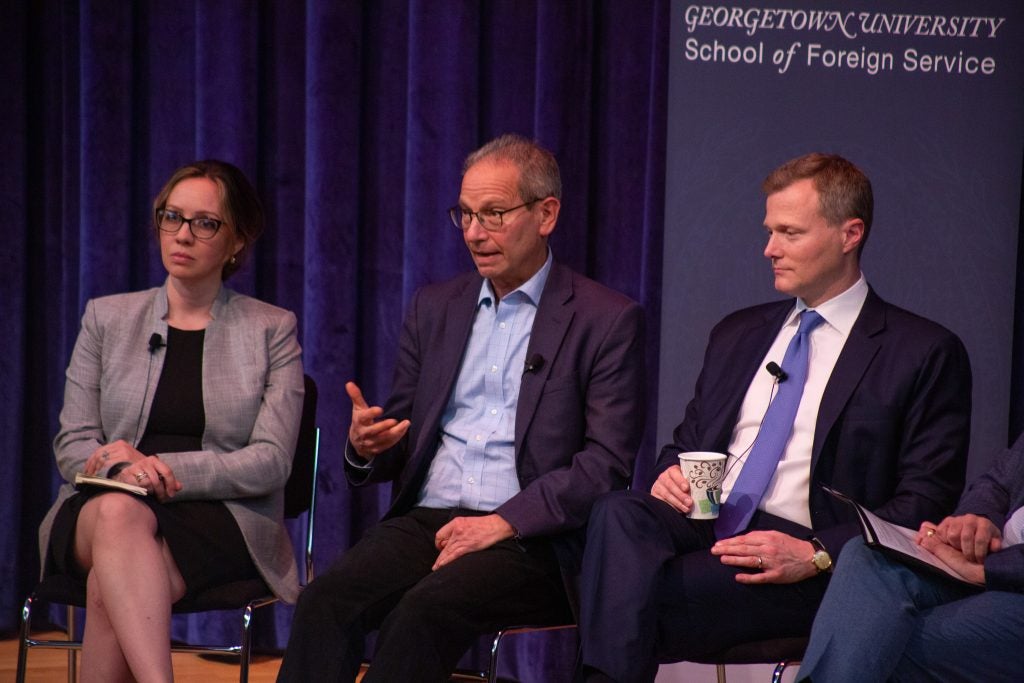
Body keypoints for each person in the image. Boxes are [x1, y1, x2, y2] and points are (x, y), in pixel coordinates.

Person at [576, 153, 973, 682]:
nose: (769, 249)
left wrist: (814, 554)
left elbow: (922, 505)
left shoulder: (922, 351)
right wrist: (671, 474)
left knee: (621, 592)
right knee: (617, 513)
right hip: (709, 520)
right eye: (769, 231)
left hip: (811, 552)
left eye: (789, 233)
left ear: (849, 233)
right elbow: (688, 442)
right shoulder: (738, 333)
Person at [277, 134, 645, 682]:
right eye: (466, 215)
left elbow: (605, 466)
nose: (475, 233)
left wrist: (502, 522)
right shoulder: (435, 306)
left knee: (422, 613)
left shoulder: (605, 319)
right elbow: (400, 435)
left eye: (494, 214)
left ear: (546, 214)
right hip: (428, 520)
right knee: (325, 601)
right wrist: (365, 447)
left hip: (532, 537)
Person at [37, 160, 305, 683]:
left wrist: (160, 467)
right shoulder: (106, 318)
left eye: (204, 222)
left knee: (105, 586)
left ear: (236, 241)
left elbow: (272, 461)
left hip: (217, 516)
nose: (182, 234)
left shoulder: (270, 329)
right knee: (117, 513)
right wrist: (124, 474)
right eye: (171, 217)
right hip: (98, 507)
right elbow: (72, 443)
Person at [798, 432, 1024, 682]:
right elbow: (998, 482)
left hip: (1011, 584)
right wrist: (976, 524)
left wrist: (990, 570)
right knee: (868, 553)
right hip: (991, 561)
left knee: (873, 644)